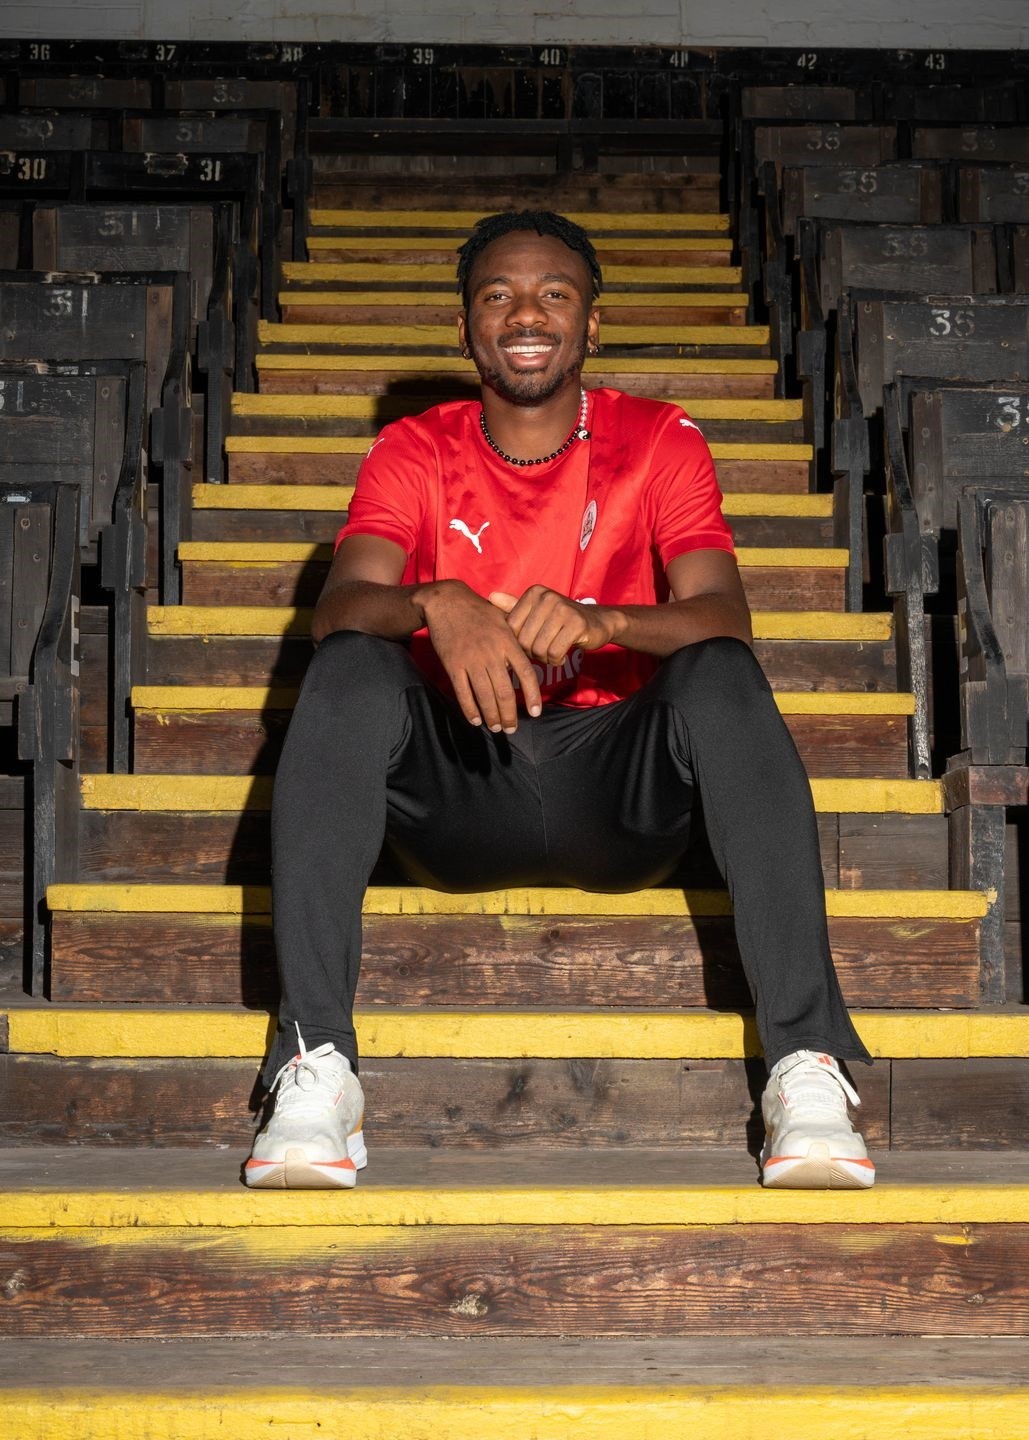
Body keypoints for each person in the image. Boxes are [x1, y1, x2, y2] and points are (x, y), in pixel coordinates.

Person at [245, 209, 875, 1192]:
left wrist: (601, 623)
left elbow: (725, 614)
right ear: (465, 330)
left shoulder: (658, 440)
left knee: (719, 671)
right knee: (348, 665)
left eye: (554, 294)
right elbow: (336, 609)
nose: (525, 313)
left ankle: (806, 1068)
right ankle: (315, 1066)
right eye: (496, 295)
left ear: (591, 324)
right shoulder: (416, 447)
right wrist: (435, 601)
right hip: (459, 788)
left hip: (619, 794)